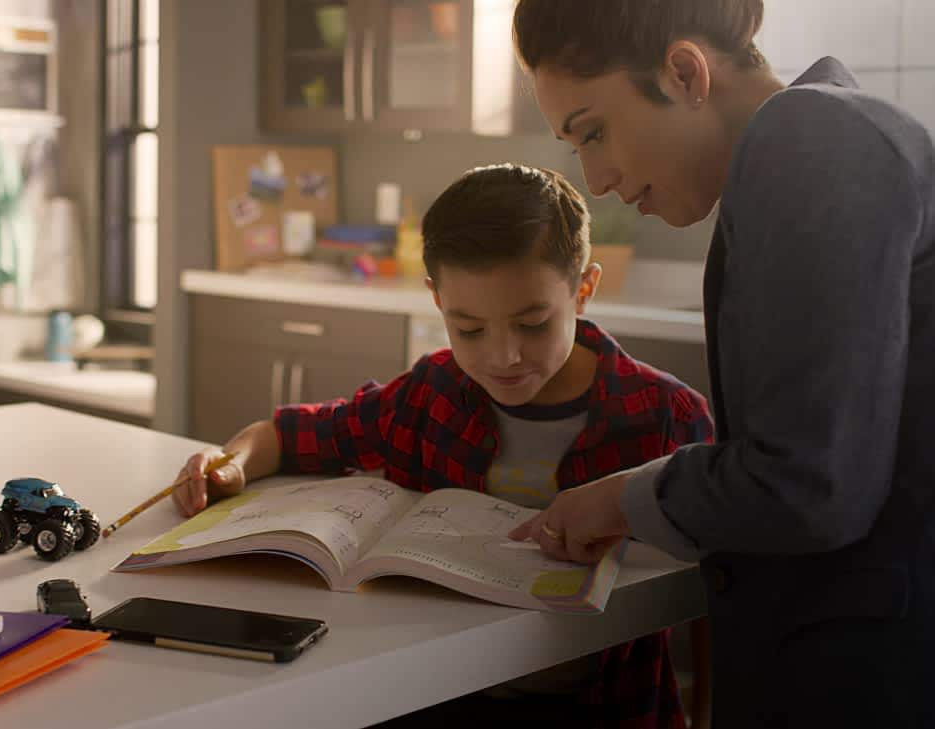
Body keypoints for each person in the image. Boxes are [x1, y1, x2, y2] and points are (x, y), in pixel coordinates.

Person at [507, 1, 935, 727]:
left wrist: (625, 499)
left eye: (593, 132)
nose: (597, 176)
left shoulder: (811, 135)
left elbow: (807, 482)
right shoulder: (813, 138)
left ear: (682, 72)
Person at [174, 164, 713, 727]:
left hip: (605, 705)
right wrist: (230, 463)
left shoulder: (664, 418)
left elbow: (727, 569)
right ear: (436, 300)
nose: (503, 357)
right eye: (470, 330)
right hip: (434, 691)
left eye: (532, 324)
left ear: (583, 290)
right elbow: (288, 434)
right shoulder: (431, 393)